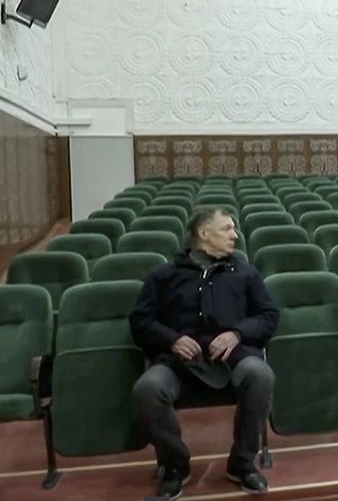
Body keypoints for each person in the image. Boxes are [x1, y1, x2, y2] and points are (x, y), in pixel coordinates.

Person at [130, 207, 279, 499]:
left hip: (232, 359)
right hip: (179, 363)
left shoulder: (245, 273)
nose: (234, 235)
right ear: (203, 234)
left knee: (261, 375)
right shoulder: (164, 275)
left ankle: (242, 463)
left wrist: (237, 333)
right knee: (147, 388)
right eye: (226, 229)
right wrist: (172, 340)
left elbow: (268, 315)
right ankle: (175, 466)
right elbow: (140, 321)